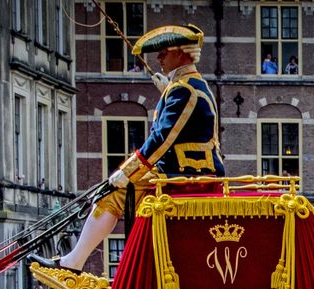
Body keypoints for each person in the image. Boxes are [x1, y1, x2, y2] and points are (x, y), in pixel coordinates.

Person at [35, 24, 224, 272]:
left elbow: (162, 139)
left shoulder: (184, 90)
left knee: (110, 195)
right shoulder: (191, 86)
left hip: (185, 172)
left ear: (181, 53)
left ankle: (74, 262)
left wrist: (126, 172)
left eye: (164, 53)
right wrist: (167, 90)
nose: (158, 58)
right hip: (189, 169)